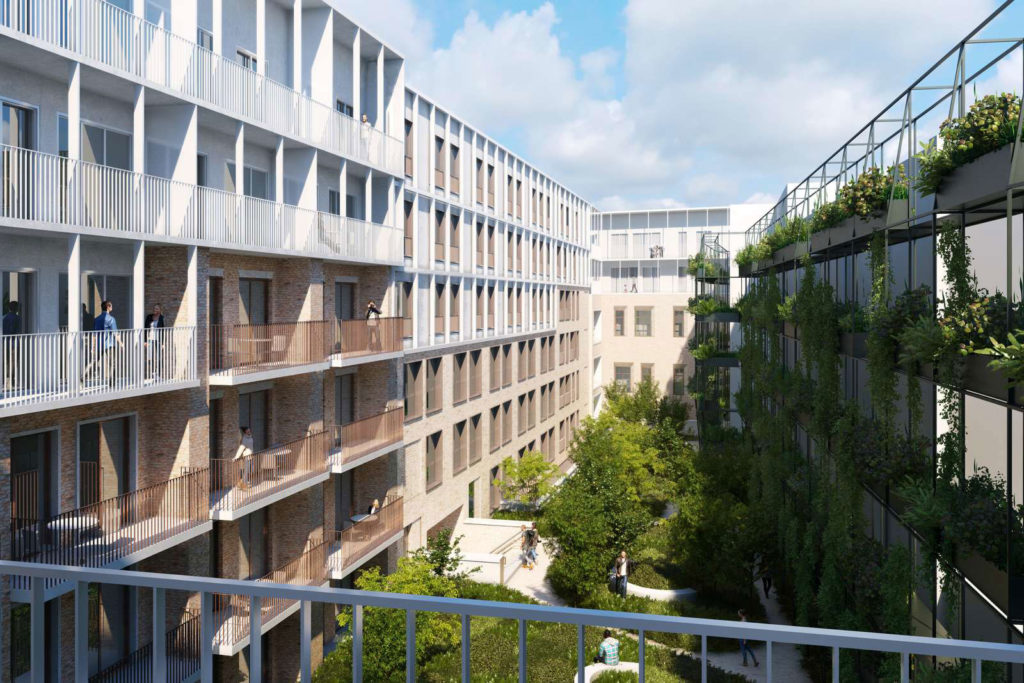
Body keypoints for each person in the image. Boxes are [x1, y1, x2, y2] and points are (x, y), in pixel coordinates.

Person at [144, 303, 165, 380]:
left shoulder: (161, 318)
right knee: (150, 357)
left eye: (157, 309)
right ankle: (153, 372)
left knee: (159, 357)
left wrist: (163, 343)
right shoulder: (149, 317)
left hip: (158, 340)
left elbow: (163, 330)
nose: (155, 310)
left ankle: (158, 375)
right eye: (154, 308)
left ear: (160, 310)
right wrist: (145, 341)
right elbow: (145, 328)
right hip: (150, 339)